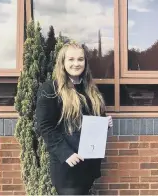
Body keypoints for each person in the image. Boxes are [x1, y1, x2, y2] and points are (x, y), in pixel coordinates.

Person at [35, 42, 113, 195]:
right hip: (67, 167)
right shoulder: (50, 89)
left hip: (87, 166)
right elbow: (44, 126)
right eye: (71, 59)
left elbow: (91, 120)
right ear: (62, 62)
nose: (76, 64)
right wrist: (66, 153)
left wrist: (105, 123)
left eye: (80, 59)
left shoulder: (89, 89)